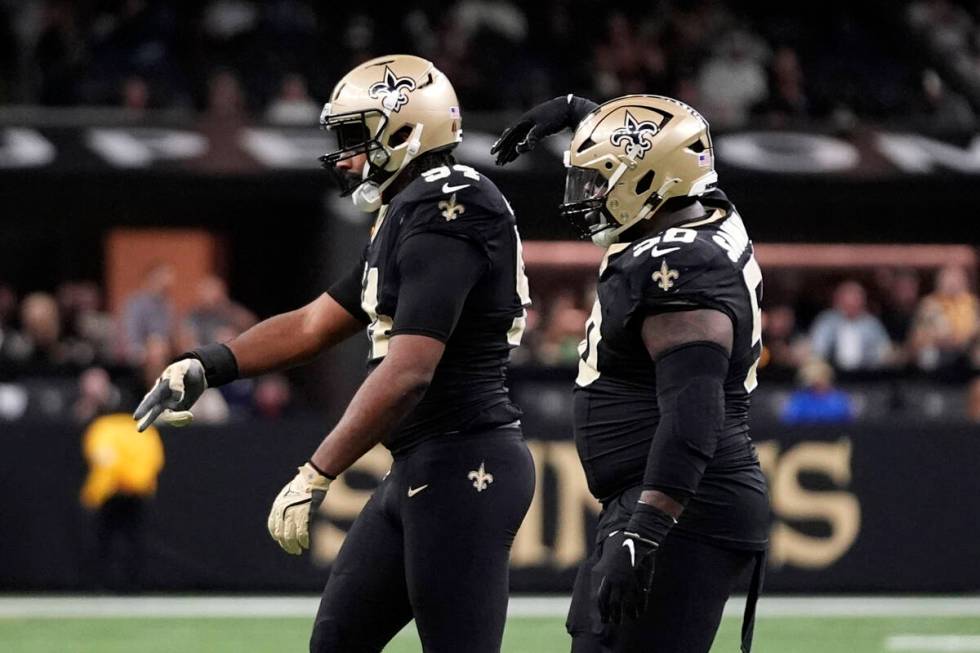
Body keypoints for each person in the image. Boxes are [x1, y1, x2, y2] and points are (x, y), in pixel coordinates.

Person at [133, 54, 534, 652]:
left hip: (464, 465)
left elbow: (409, 371)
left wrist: (317, 471)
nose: (344, 156)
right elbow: (313, 323)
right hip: (422, 465)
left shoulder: (449, 205)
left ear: (404, 131)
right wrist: (207, 364)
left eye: (354, 138)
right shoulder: (406, 210)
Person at [493, 93, 769, 652]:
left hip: (678, 507)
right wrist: (578, 110)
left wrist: (646, 530)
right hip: (667, 501)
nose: (590, 196)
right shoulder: (703, 207)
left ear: (649, 182)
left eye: (601, 181)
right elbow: (663, 148)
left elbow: (694, 411)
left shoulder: (679, 266)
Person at [809, 280, 891, 371]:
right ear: (838, 301)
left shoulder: (872, 324)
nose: (852, 304)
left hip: (867, 373)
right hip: (833, 372)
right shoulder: (827, 321)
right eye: (847, 301)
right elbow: (818, 349)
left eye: (856, 300)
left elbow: (883, 351)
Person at [781, 358, 854, 425]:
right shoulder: (799, 399)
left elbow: (847, 421)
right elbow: (790, 420)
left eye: (822, 376)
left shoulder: (839, 399)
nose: (819, 381)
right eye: (814, 377)